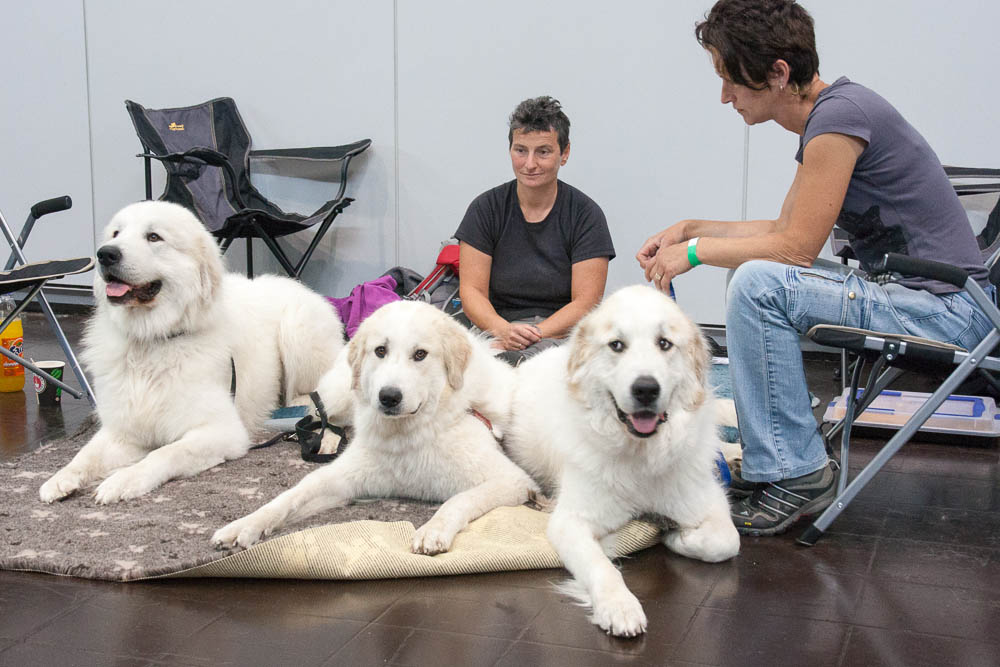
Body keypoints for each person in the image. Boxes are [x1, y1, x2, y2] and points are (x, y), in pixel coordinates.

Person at [636, 0, 994, 536]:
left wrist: (692, 255)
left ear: (778, 74)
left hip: (950, 309)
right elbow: (783, 230)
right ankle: (779, 459)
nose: (724, 96)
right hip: (924, 298)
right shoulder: (833, 116)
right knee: (751, 274)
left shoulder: (839, 119)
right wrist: (691, 229)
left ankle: (797, 473)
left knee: (760, 282)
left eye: (730, 79)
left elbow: (795, 250)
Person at [455, 96, 615, 364]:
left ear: (564, 153)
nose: (529, 164)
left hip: (562, 335)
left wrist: (536, 334)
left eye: (543, 151)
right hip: (497, 330)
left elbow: (586, 302)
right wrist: (502, 329)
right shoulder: (484, 209)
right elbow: (471, 291)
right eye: (520, 150)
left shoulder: (586, 215)